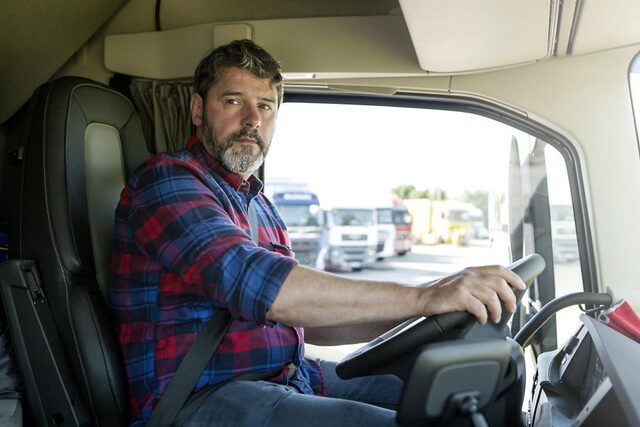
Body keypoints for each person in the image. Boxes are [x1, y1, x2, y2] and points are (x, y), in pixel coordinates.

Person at [110, 39, 526, 426]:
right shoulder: (167, 182)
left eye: (265, 106)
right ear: (198, 109)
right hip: (201, 400)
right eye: (233, 101)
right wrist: (426, 296)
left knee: (449, 398)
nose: (252, 119)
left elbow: (308, 322)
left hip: (287, 376)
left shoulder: (259, 204)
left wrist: (430, 309)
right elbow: (260, 285)